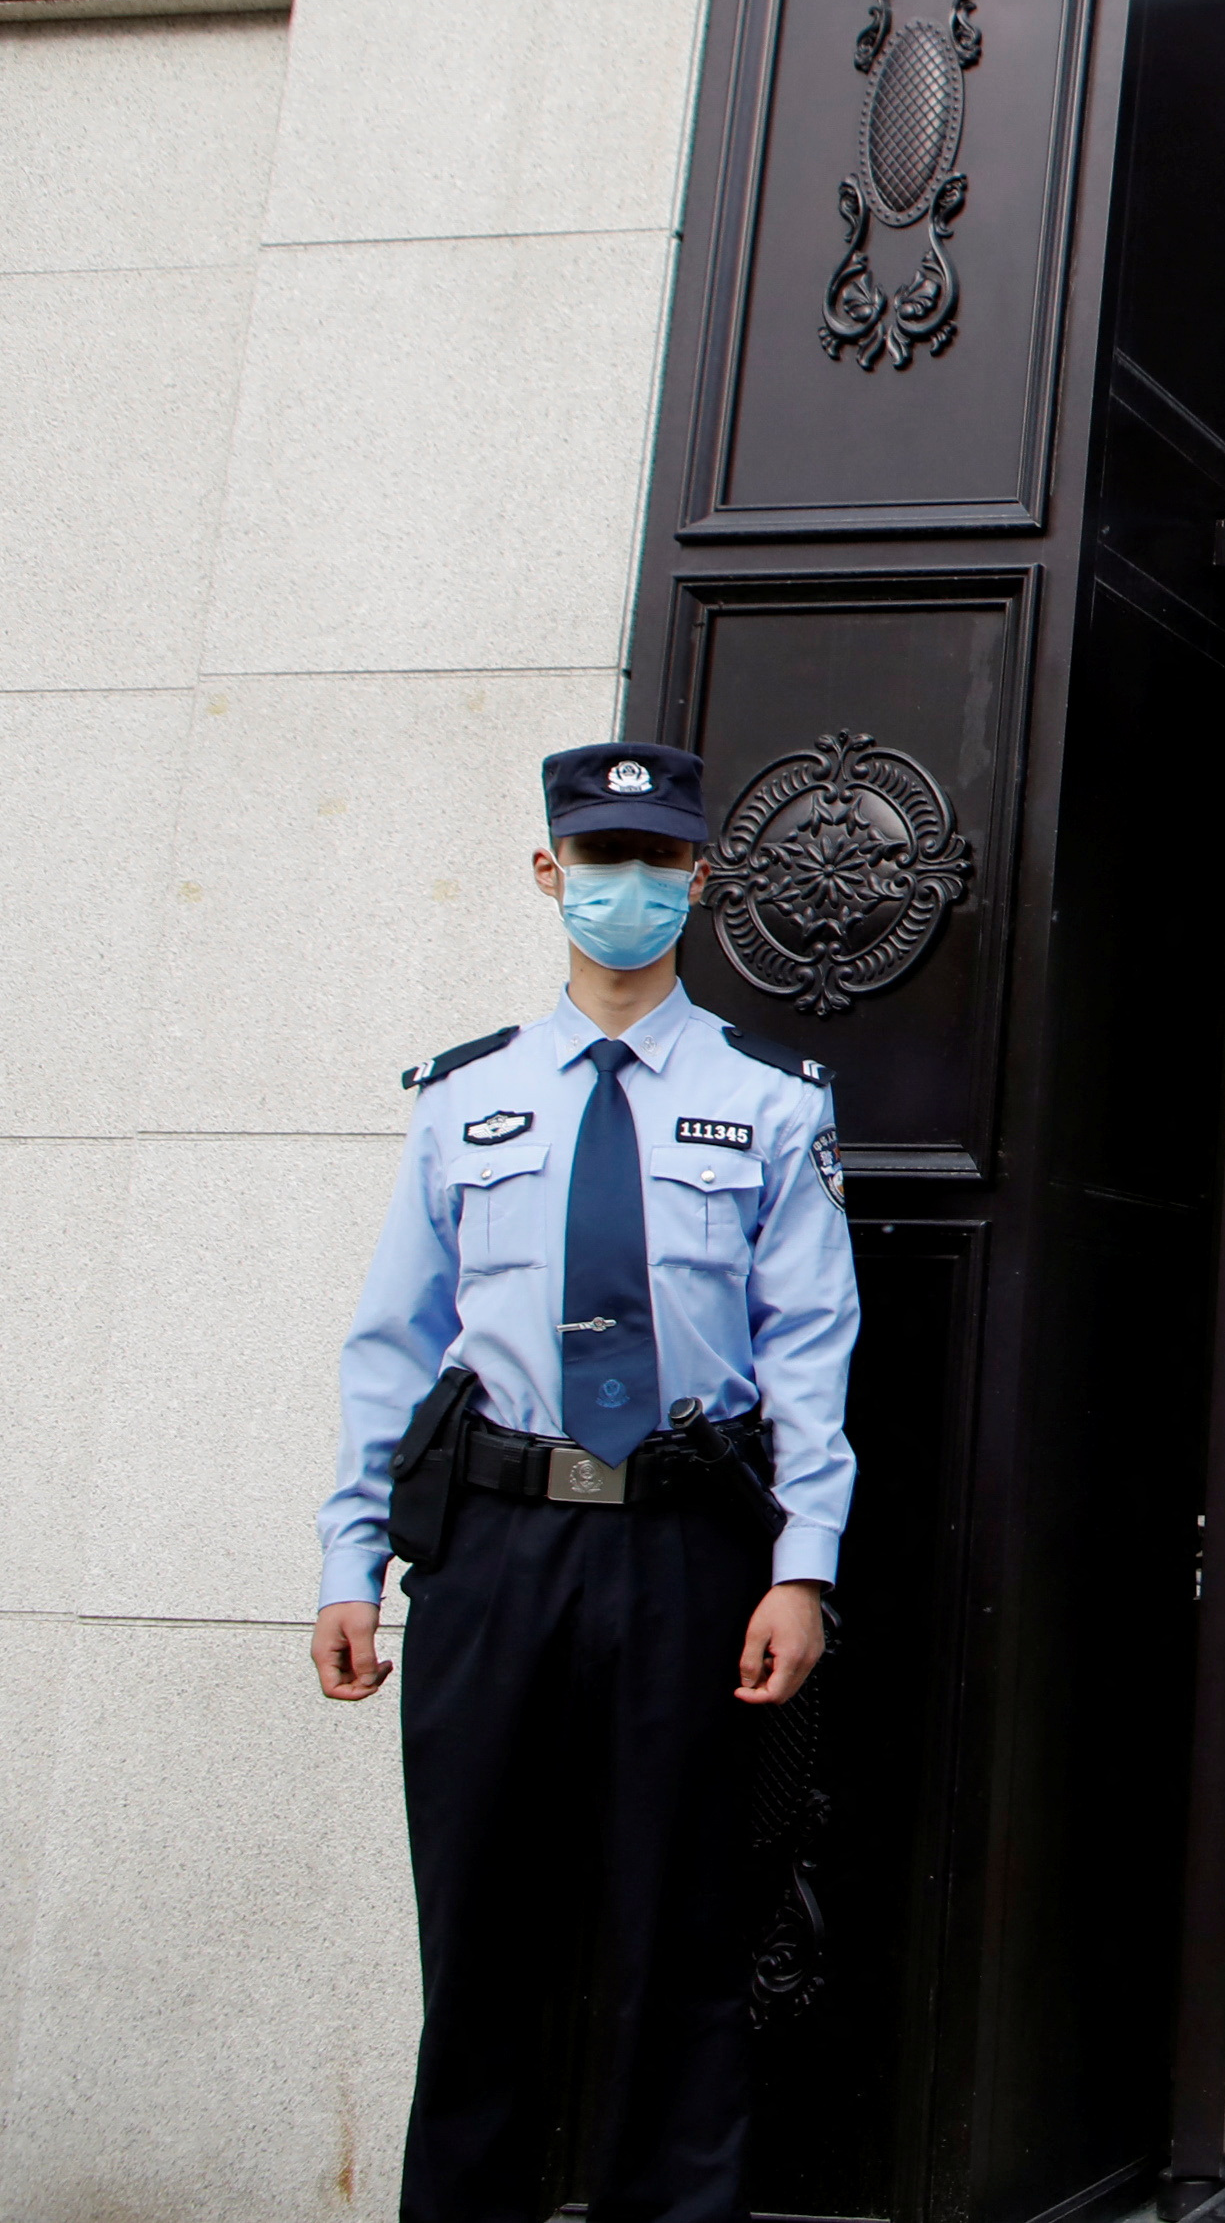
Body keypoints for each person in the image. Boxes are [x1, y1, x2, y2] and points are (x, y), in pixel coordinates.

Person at [312, 741, 861, 2223]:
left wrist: (801, 1564)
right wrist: (347, 1563)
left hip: (687, 1553)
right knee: (480, 1930)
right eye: (598, 860)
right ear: (551, 876)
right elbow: (393, 1345)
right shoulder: (462, 1100)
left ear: (700, 880)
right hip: (495, 1552)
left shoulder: (769, 1104)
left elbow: (811, 1350)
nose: (628, 888)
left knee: (677, 1932)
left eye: (657, 862)